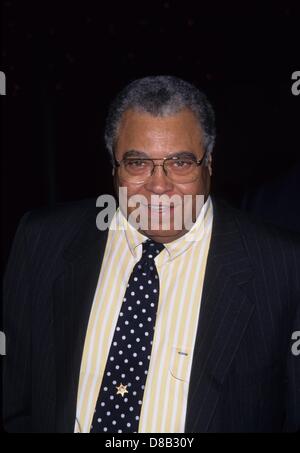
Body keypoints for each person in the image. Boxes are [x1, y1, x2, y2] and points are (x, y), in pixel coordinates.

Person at [3, 76, 300, 433]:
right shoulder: (42, 241)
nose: (159, 185)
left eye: (180, 162)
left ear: (210, 163)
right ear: (114, 166)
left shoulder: (283, 268)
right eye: (137, 163)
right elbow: (14, 402)